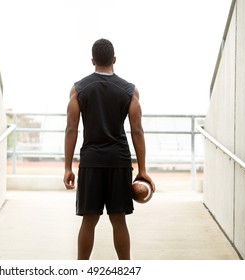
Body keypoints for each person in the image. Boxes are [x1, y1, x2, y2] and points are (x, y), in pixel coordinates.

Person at [63, 38, 155, 260]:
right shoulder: (130, 90)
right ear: (114, 59)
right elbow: (137, 130)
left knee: (89, 219)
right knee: (118, 219)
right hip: (119, 161)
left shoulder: (78, 89)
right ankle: (126, 270)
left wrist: (67, 167)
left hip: (91, 162)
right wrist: (142, 169)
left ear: (93, 60)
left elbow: (71, 129)